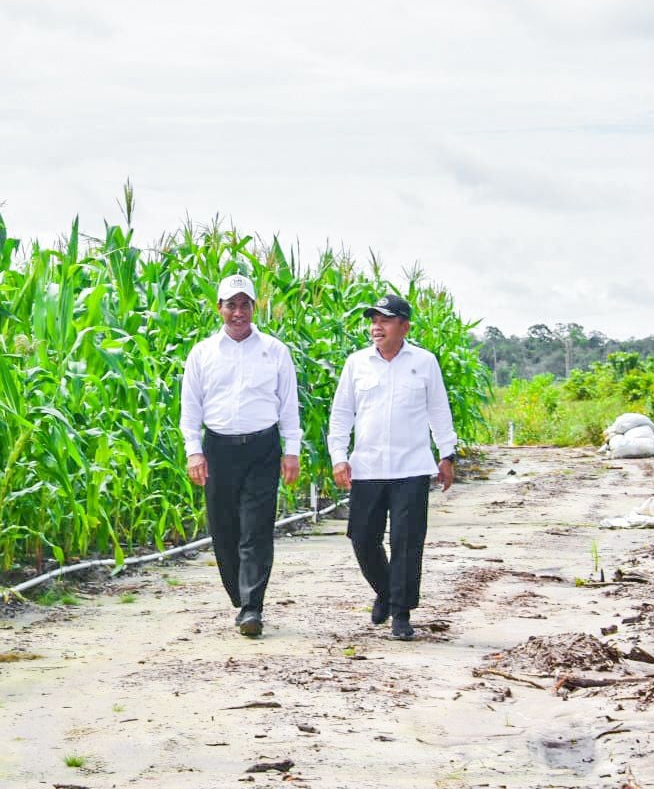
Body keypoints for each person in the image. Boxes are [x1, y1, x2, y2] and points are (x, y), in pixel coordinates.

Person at [327, 293, 456, 641]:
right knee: (362, 538)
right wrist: (339, 456)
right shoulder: (357, 363)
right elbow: (341, 414)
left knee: (407, 541)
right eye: (373, 320)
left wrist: (447, 454)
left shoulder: (424, 362)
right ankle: (385, 591)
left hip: (411, 467)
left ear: (404, 325)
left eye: (384, 320)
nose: (376, 327)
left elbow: (438, 411)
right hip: (367, 467)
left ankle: (401, 612)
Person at [180, 274, 302, 637]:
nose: (238, 312)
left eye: (244, 304)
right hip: (218, 449)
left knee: (257, 529)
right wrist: (194, 452)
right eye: (231, 305)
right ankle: (240, 594)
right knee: (224, 529)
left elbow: (289, 405)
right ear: (219, 309)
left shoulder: (275, 351)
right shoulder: (202, 353)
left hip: (263, 448)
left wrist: (291, 451)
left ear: (254, 307)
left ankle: (252, 607)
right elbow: (191, 409)